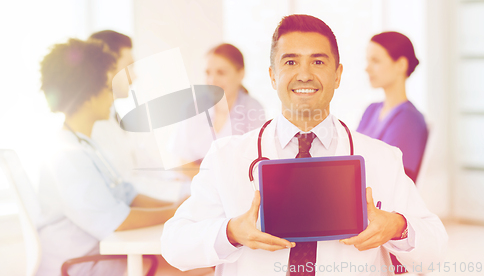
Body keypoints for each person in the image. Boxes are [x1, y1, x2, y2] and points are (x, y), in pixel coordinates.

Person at [161, 15, 447, 276]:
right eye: (290, 62)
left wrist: (396, 227)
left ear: (337, 75)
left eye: (318, 62)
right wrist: (231, 232)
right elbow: (174, 245)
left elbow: (435, 252)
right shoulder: (227, 157)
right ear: (272, 76)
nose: (305, 74)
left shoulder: (383, 159)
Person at [36, 38, 184, 276]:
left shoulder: (83, 144)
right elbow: (117, 221)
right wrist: (175, 211)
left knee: (197, 262)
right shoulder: (66, 157)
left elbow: (127, 194)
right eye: (107, 88)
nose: (111, 96)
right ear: (88, 93)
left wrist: (179, 206)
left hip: (102, 257)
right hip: (82, 266)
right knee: (197, 268)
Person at [89, 30, 185, 201]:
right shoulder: (94, 126)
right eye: (129, 67)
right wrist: (181, 192)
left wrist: (178, 183)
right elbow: (126, 185)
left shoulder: (115, 117)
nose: (134, 76)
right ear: (108, 67)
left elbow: (142, 166)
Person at [171, 43, 266, 178]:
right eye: (208, 73)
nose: (212, 80)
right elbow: (182, 163)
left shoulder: (254, 110)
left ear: (241, 74)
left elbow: (252, 166)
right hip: (194, 190)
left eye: (221, 73)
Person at [357, 32, 428, 182]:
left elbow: (399, 179)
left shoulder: (408, 119)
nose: (367, 68)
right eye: (367, 61)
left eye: (375, 61)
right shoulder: (371, 110)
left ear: (401, 65)